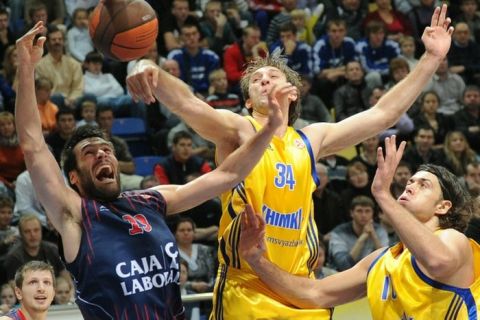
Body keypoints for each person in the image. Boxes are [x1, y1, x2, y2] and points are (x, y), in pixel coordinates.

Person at [126, 4, 454, 318]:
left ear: (293, 93)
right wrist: (149, 70)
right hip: (247, 285)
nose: (264, 80)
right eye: (257, 80)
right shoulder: (239, 128)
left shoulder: (311, 139)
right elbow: (187, 104)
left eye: (272, 76)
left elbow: (384, 113)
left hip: (301, 288)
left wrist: (431, 57)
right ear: (248, 100)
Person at [15, 20, 284, 319]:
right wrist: (25, 66)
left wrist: (270, 128)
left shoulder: (150, 201)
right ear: (74, 177)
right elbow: (33, 145)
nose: (102, 155)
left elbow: (228, 176)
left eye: (107, 151)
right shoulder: (74, 215)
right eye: (90, 154)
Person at [239, 135, 480, 318]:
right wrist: (256, 259)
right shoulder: (380, 260)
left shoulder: (454, 240)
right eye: (410, 181)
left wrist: (382, 195)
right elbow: (314, 294)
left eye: (423, 185)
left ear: (443, 207)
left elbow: (438, 262)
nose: (409, 186)